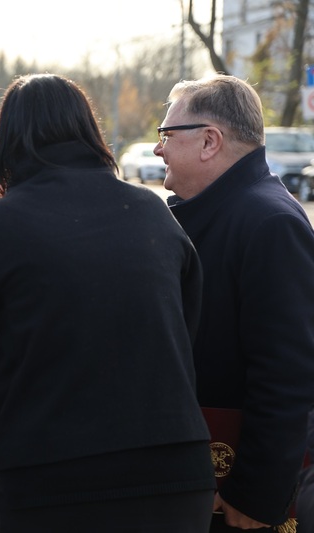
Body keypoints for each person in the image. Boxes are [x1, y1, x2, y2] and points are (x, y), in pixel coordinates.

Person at [0, 73, 216, 532]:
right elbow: (187, 330)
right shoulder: (153, 213)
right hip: (174, 473)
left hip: (55, 476)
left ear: (9, 139)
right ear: (90, 131)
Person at [154, 74, 314, 531]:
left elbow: (286, 375)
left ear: (209, 141)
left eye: (167, 134)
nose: (158, 149)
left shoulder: (269, 222)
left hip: (236, 498)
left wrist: (255, 493)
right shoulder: (222, 210)